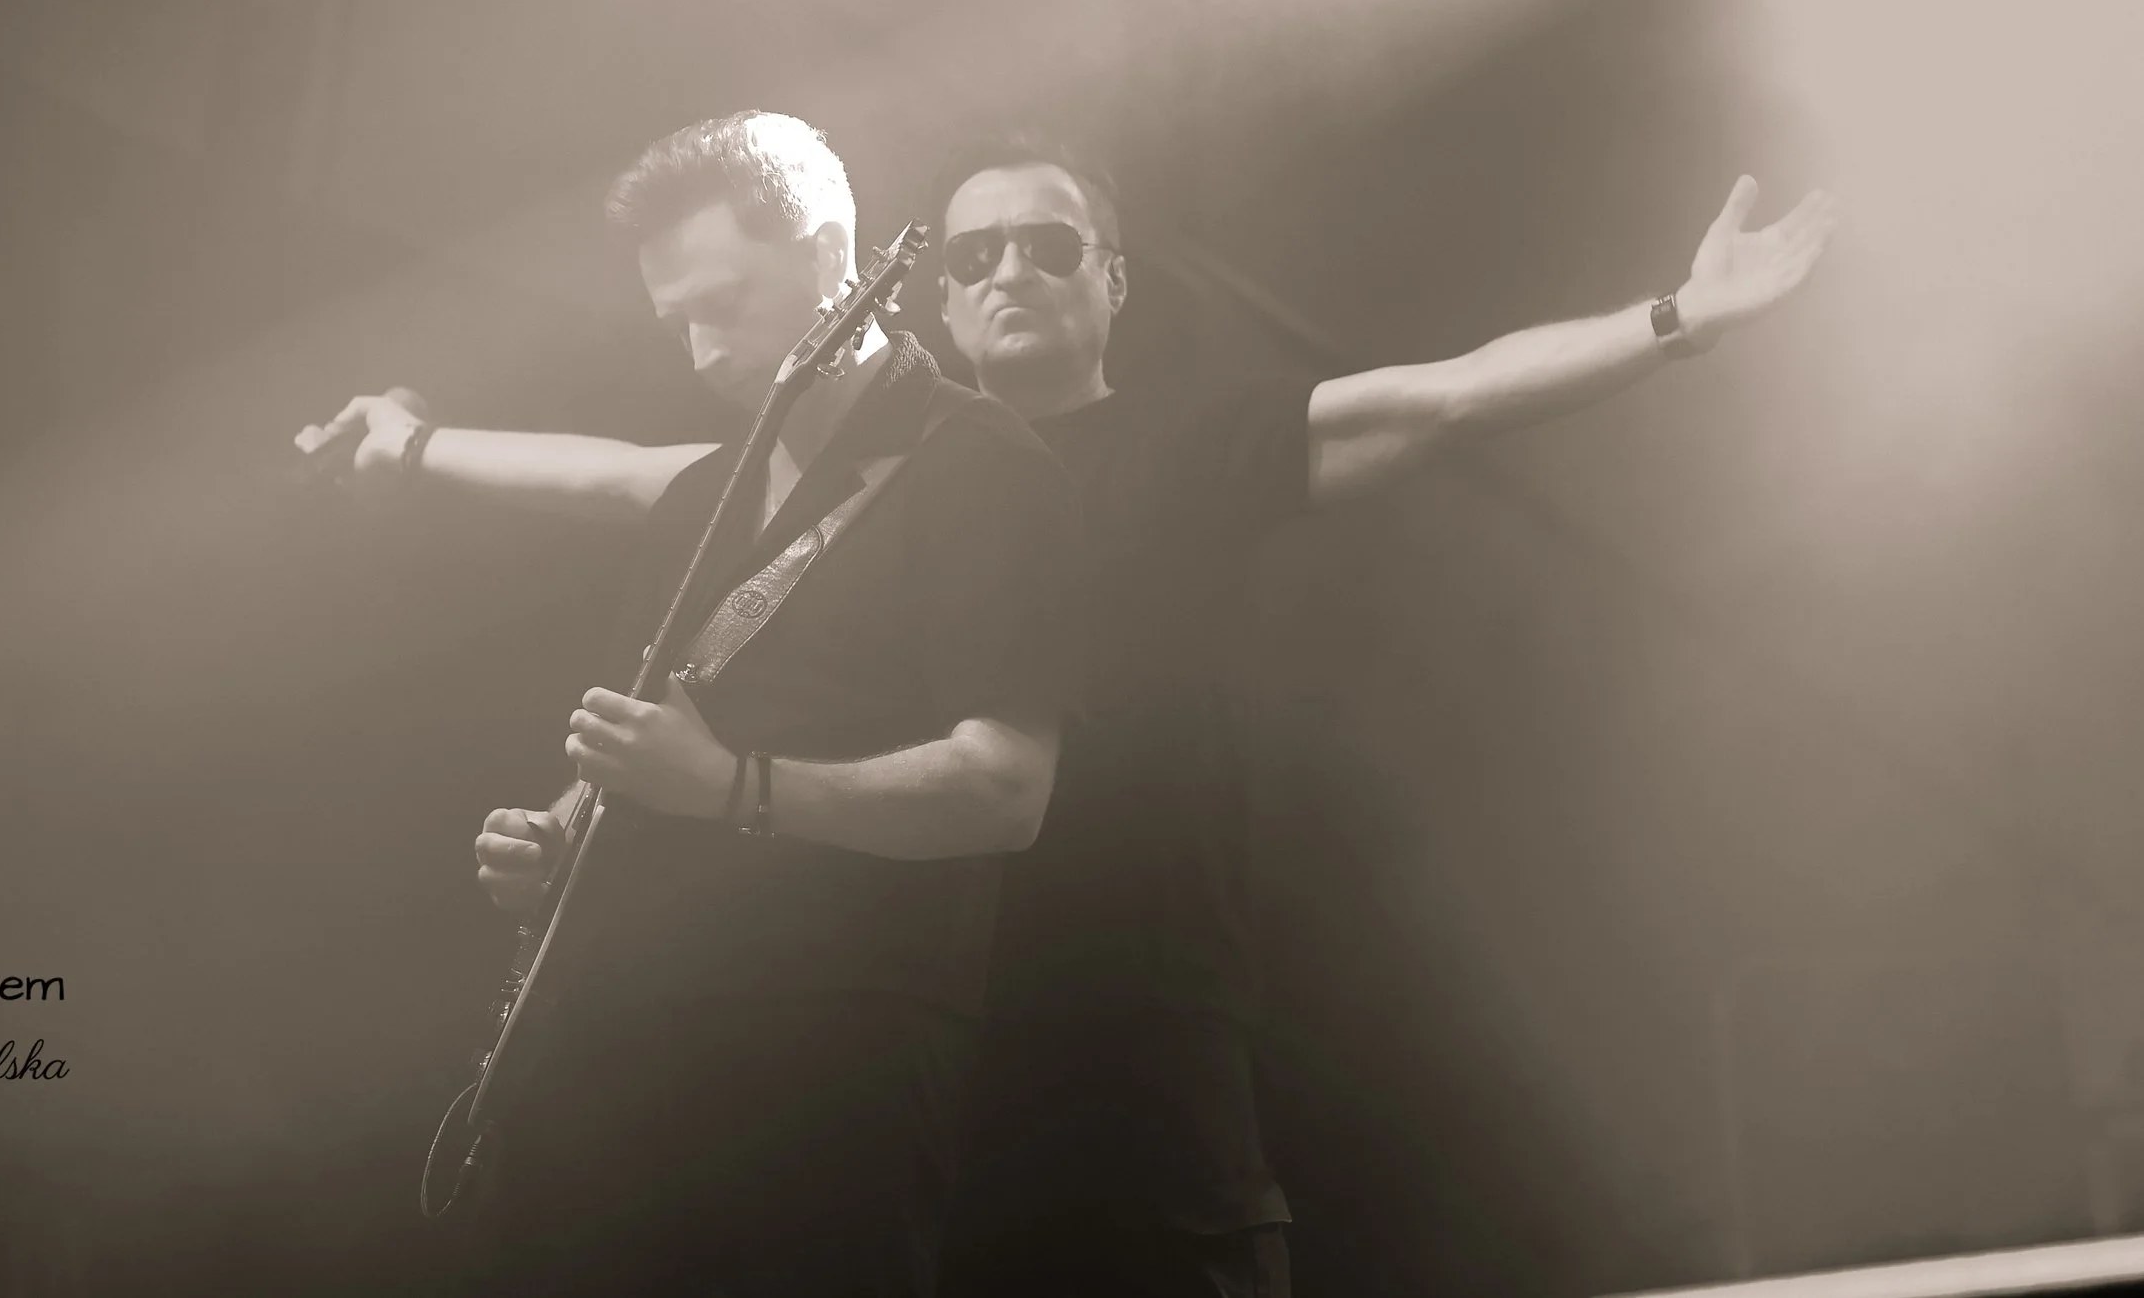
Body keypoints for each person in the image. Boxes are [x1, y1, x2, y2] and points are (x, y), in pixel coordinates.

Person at [302, 135, 1836, 1296]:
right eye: (973, 252)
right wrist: (418, 442)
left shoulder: (1181, 445)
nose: (1008, 271)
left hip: (1131, 989)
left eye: (1049, 244)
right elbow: (625, 476)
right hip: (915, 1012)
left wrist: (1682, 316)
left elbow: (1437, 394)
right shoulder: (852, 477)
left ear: (1112, 279)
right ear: (932, 289)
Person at [391, 112, 1083, 1298]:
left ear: (829, 256)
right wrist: (557, 830)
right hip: (612, 1062)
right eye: (677, 323)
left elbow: (1008, 785)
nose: (703, 351)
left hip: (819, 1083)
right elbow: (651, 734)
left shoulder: (981, 463)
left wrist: (729, 788)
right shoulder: (705, 493)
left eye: (722, 303)